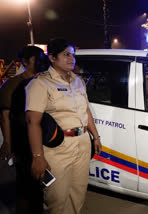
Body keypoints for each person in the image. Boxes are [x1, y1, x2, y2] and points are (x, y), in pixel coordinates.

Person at [25, 38, 102, 214]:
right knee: (56, 198)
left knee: (78, 194)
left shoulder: (78, 81)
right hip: (58, 147)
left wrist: (95, 136)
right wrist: (38, 156)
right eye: (66, 54)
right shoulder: (40, 84)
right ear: (52, 57)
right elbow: (33, 122)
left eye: (73, 55)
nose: (71, 59)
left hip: (82, 142)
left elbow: (86, 111)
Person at [0, 45, 49, 213]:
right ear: (26, 61)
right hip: (22, 139)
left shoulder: (43, 81)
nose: (42, 61)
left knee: (40, 181)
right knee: (25, 183)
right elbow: (5, 116)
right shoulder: (12, 84)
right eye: (38, 58)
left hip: (40, 137)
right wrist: (7, 142)